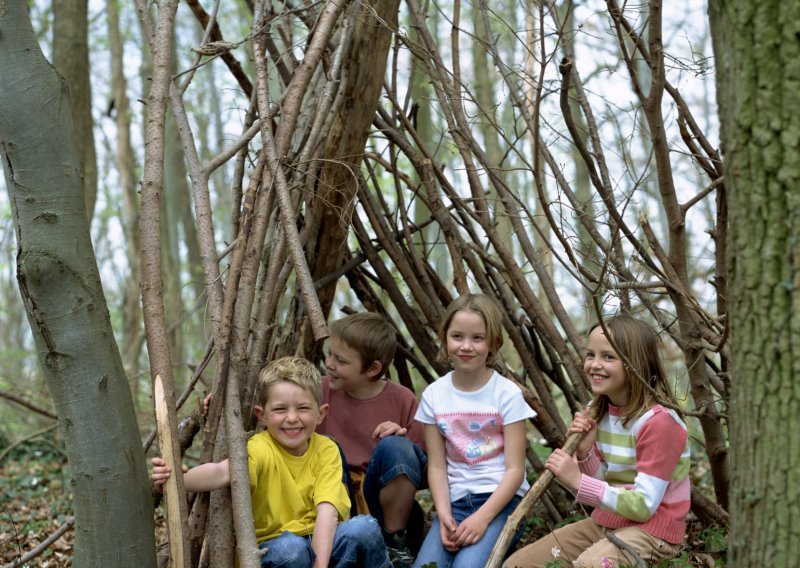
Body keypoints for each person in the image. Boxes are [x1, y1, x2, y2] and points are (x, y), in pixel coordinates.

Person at [152, 356, 390, 568]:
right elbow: (221, 472)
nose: (292, 418)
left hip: (324, 542)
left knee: (364, 529)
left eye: (303, 408)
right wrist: (178, 480)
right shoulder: (260, 448)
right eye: (280, 409)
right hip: (276, 550)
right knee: (292, 549)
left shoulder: (326, 450)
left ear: (321, 413)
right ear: (261, 415)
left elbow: (327, 513)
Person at [504, 315, 691, 568]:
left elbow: (644, 506)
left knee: (588, 566)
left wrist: (577, 480)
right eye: (591, 355)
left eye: (608, 357)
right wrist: (584, 452)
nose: (594, 364)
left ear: (636, 363)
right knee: (517, 564)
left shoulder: (660, 423)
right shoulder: (599, 410)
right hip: (609, 522)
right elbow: (606, 486)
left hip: (653, 533)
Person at [413, 293, 535, 568]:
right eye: (457, 336)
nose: (466, 346)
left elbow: (516, 470)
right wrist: (443, 514)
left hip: (501, 502)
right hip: (454, 503)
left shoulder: (506, 394)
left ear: (494, 343)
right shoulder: (434, 395)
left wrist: (483, 517)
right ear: (445, 338)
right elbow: (436, 465)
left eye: (477, 338)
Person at [316, 312, 427, 567]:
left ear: (373, 368)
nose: (329, 363)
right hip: (331, 500)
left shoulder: (401, 399)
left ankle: (394, 542)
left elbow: (420, 469)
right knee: (330, 450)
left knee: (396, 446)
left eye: (340, 360)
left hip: (380, 502)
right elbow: (273, 400)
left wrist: (401, 437)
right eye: (329, 354)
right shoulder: (317, 390)